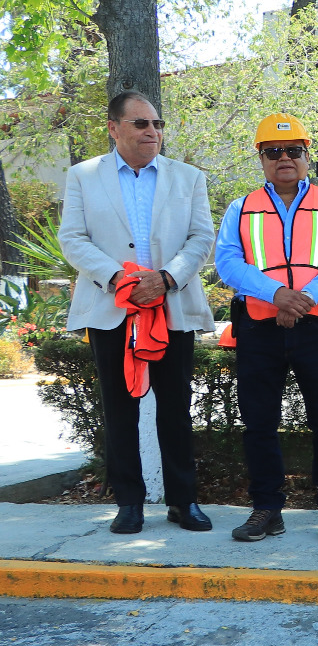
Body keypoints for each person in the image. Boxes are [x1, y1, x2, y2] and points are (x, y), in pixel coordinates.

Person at [58, 91, 216, 535]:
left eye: (157, 124)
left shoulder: (188, 178)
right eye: (141, 124)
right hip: (110, 307)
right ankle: (129, 503)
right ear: (114, 128)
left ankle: (184, 502)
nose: (153, 132)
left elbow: (201, 238)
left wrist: (164, 279)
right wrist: (118, 279)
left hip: (172, 306)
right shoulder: (84, 176)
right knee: (119, 409)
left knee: (175, 409)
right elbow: (72, 238)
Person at [215, 114, 318, 544]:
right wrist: (277, 294)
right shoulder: (240, 208)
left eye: (293, 151)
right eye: (273, 152)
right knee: (258, 422)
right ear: (260, 158)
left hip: (315, 326)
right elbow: (228, 262)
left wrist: (304, 299)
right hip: (260, 327)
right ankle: (266, 510)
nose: (284, 159)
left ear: (307, 155)